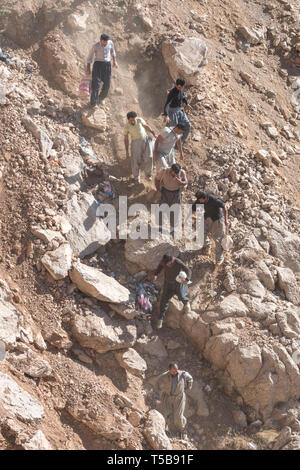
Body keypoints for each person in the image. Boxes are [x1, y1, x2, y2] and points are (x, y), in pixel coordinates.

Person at [153, 253, 191, 329]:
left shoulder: (178, 262)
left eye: (168, 264)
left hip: (177, 283)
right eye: (166, 264)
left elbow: (188, 270)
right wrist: (156, 274)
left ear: (171, 261)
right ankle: (160, 319)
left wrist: (187, 280)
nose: (166, 265)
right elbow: (160, 266)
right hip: (167, 283)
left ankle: (187, 304)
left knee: (182, 295)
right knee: (164, 300)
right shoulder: (164, 262)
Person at [156, 362, 193, 439]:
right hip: (167, 397)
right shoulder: (164, 376)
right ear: (169, 370)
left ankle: (183, 430)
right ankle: (164, 428)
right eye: (173, 371)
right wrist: (157, 396)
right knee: (163, 413)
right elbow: (157, 383)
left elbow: (190, 379)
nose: (176, 372)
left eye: (176, 370)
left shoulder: (183, 374)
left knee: (178, 416)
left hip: (179, 397)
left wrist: (188, 387)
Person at [192, 191, 229, 265]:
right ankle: (207, 244)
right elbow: (193, 208)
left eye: (200, 200)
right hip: (207, 217)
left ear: (205, 198)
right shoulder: (200, 200)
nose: (199, 201)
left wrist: (226, 220)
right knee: (200, 232)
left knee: (217, 238)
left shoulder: (214, 200)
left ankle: (219, 257)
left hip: (217, 220)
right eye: (198, 200)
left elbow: (224, 207)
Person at [124, 111, 156, 183]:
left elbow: (146, 126)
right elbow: (126, 139)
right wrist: (126, 151)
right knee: (135, 160)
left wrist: (153, 132)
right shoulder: (126, 127)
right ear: (128, 120)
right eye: (130, 120)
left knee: (149, 156)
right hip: (136, 143)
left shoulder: (139, 120)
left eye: (133, 119)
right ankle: (136, 177)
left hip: (146, 139)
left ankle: (148, 174)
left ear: (136, 118)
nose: (132, 121)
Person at [87, 33, 118, 108]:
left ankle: (101, 98)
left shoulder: (110, 43)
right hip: (98, 65)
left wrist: (114, 61)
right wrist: (88, 68)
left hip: (107, 65)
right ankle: (93, 103)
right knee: (96, 84)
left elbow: (113, 52)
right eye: (104, 42)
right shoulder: (96, 46)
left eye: (107, 42)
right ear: (101, 40)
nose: (106, 43)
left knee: (107, 84)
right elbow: (90, 57)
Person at [154, 163, 187, 233]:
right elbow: (156, 180)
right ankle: (160, 227)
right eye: (173, 173)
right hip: (165, 192)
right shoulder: (164, 171)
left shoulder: (182, 172)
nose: (174, 175)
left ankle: (173, 229)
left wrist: (180, 182)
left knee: (175, 211)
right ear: (171, 170)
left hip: (176, 194)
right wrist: (158, 191)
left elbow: (185, 182)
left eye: (176, 173)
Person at [163, 78, 192, 147]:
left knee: (187, 125)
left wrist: (187, 104)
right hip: (172, 112)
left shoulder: (181, 90)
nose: (180, 88)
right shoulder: (172, 93)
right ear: (176, 85)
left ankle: (179, 142)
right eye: (179, 87)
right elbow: (167, 105)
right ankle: (168, 145)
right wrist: (166, 115)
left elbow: (183, 97)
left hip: (179, 110)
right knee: (173, 130)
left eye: (182, 87)